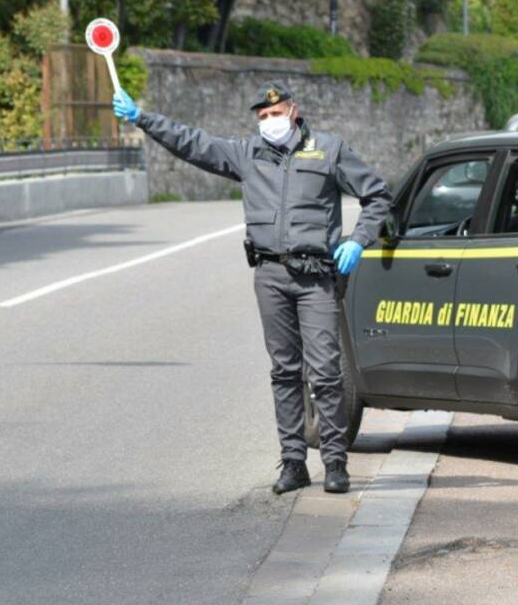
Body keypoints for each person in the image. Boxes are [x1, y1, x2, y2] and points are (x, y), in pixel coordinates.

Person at [112, 81, 392, 495]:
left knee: (327, 374)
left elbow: (378, 196)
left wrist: (358, 239)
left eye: (275, 114)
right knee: (284, 372)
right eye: (262, 116)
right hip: (270, 275)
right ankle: (293, 463)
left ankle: (335, 462)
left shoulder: (328, 150)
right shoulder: (248, 153)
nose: (268, 121)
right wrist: (142, 119)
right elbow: (192, 144)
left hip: (316, 276)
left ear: (293, 111)